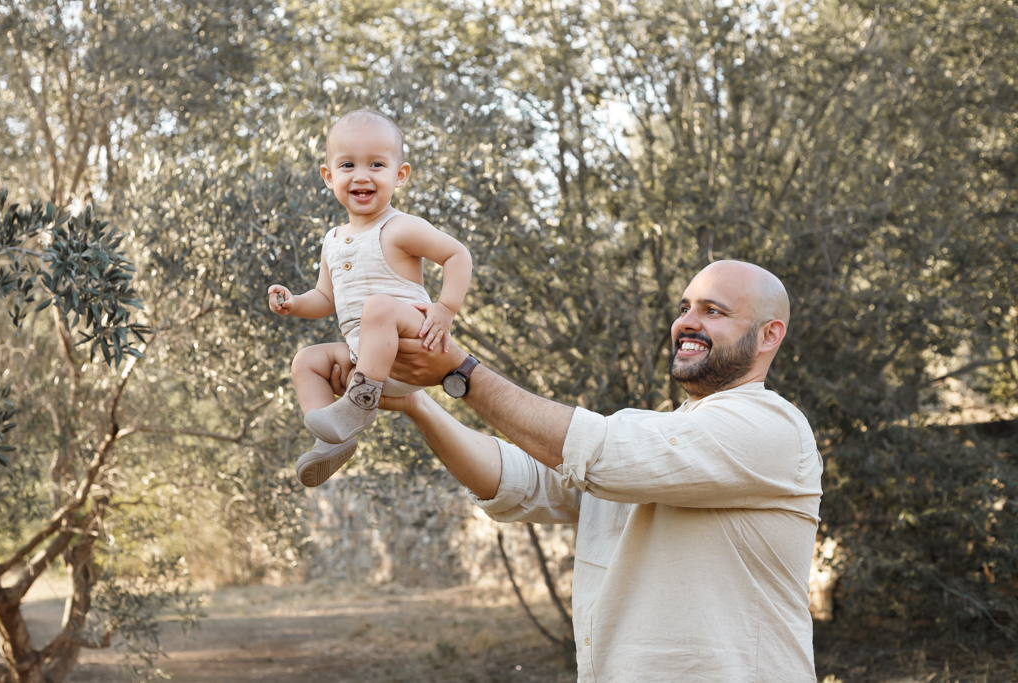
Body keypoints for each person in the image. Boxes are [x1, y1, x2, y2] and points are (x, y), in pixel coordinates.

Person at [374, 260, 822, 682]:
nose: (686, 321)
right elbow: (515, 481)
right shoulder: (648, 433)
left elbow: (604, 457)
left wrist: (460, 369)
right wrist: (417, 403)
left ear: (769, 335)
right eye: (684, 308)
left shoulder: (771, 428)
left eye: (713, 310)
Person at [268, 109, 472, 487]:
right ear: (329, 177)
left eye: (376, 164)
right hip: (371, 362)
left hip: (412, 339)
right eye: (348, 165)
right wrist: (295, 302)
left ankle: (356, 407)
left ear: (400, 175)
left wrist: (445, 309)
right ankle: (329, 438)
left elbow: (457, 254)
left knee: (376, 307)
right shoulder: (332, 241)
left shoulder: (399, 227)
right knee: (306, 361)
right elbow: (324, 299)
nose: (361, 175)